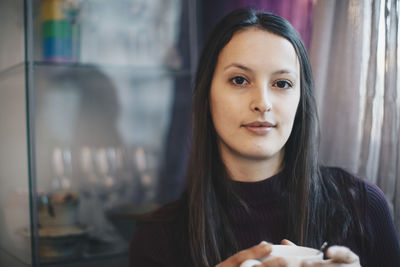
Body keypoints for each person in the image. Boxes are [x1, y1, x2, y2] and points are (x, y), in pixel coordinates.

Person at [129, 8, 400, 267]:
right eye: (239, 80)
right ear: (206, 93)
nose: (262, 103)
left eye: (282, 83)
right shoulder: (156, 239)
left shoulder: (364, 207)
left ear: (301, 101)